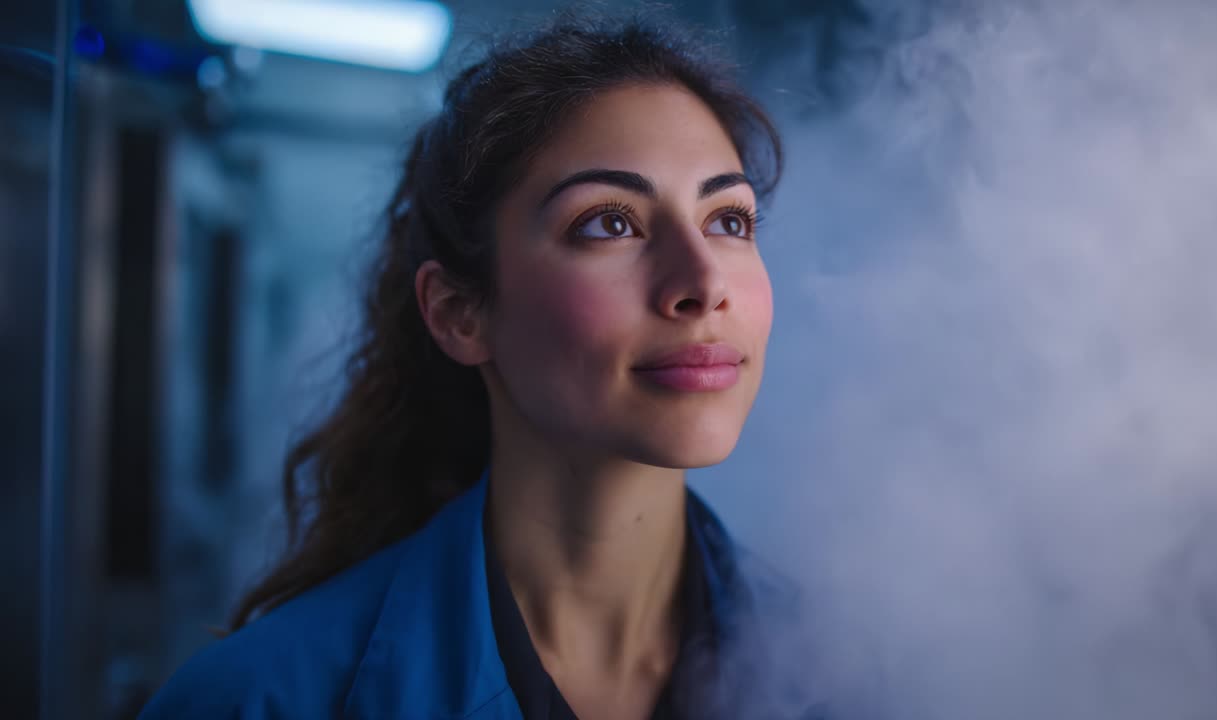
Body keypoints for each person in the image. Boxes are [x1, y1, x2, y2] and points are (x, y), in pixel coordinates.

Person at [140, 12, 821, 720]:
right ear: (459, 313)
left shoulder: (852, 670)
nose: (704, 282)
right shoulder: (251, 702)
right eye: (610, 223)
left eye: (728, 221)